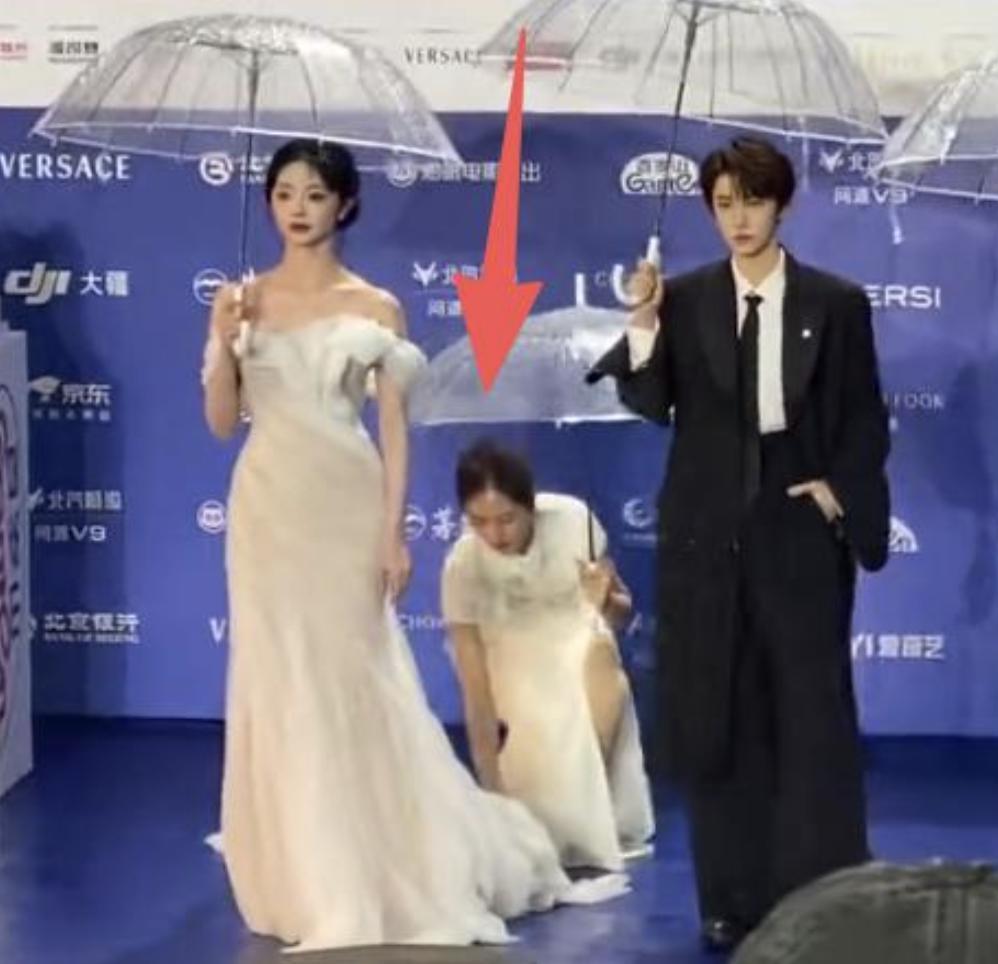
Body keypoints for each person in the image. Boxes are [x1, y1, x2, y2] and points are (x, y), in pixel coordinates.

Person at [200, 138, 625, 953]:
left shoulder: (376, 307)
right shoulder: (241, 301)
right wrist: (224, 342)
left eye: (314, 194)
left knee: (355, 674)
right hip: (265, 509)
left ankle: (379, 858)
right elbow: (223, 423)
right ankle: (299, 867)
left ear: (345, 204)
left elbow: (394, 432)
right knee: (277, 678)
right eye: (283, 193)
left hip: (345, 505)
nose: (297, 208)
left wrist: (393, 532)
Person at [589, 135, 892, 951]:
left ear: (781, 204)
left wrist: (836, 495)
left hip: (798, 535)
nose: (739, 218)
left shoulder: (835, 303)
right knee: (716, 718)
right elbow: (650, 401)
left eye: (753, 201)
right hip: (705, 536)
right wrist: (643, 320)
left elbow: (864, 418)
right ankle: (730, 898)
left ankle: (825, 896)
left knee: (810, 719)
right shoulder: (683, 299)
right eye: (724, 204)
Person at [440, 439, 655, 872]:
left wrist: (604, 598)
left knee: (599, 664)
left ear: (530, 506)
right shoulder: (463, 566)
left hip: (578, 639)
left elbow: (619, 613)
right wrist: (492, 796)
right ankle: (548, 815)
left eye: (507, 519)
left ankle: (591, 804)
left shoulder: (574, 520)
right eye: (479, 521)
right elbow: (475, 687)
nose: (494, 535)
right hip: (513, 661)